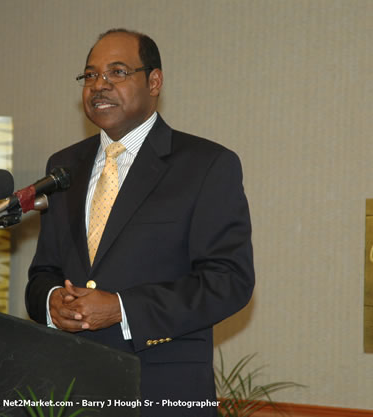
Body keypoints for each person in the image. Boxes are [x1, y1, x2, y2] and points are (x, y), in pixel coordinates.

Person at [26, 28, 254, 417]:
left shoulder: (206, 165)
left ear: (154, 81)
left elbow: (229, 281)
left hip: (161, 393)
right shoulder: (63, 167)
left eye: (116, 72)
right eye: (91, 75)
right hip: (73, 392)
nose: (100, 85)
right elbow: (43, 271)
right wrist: (51, 302)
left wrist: (121, 308)